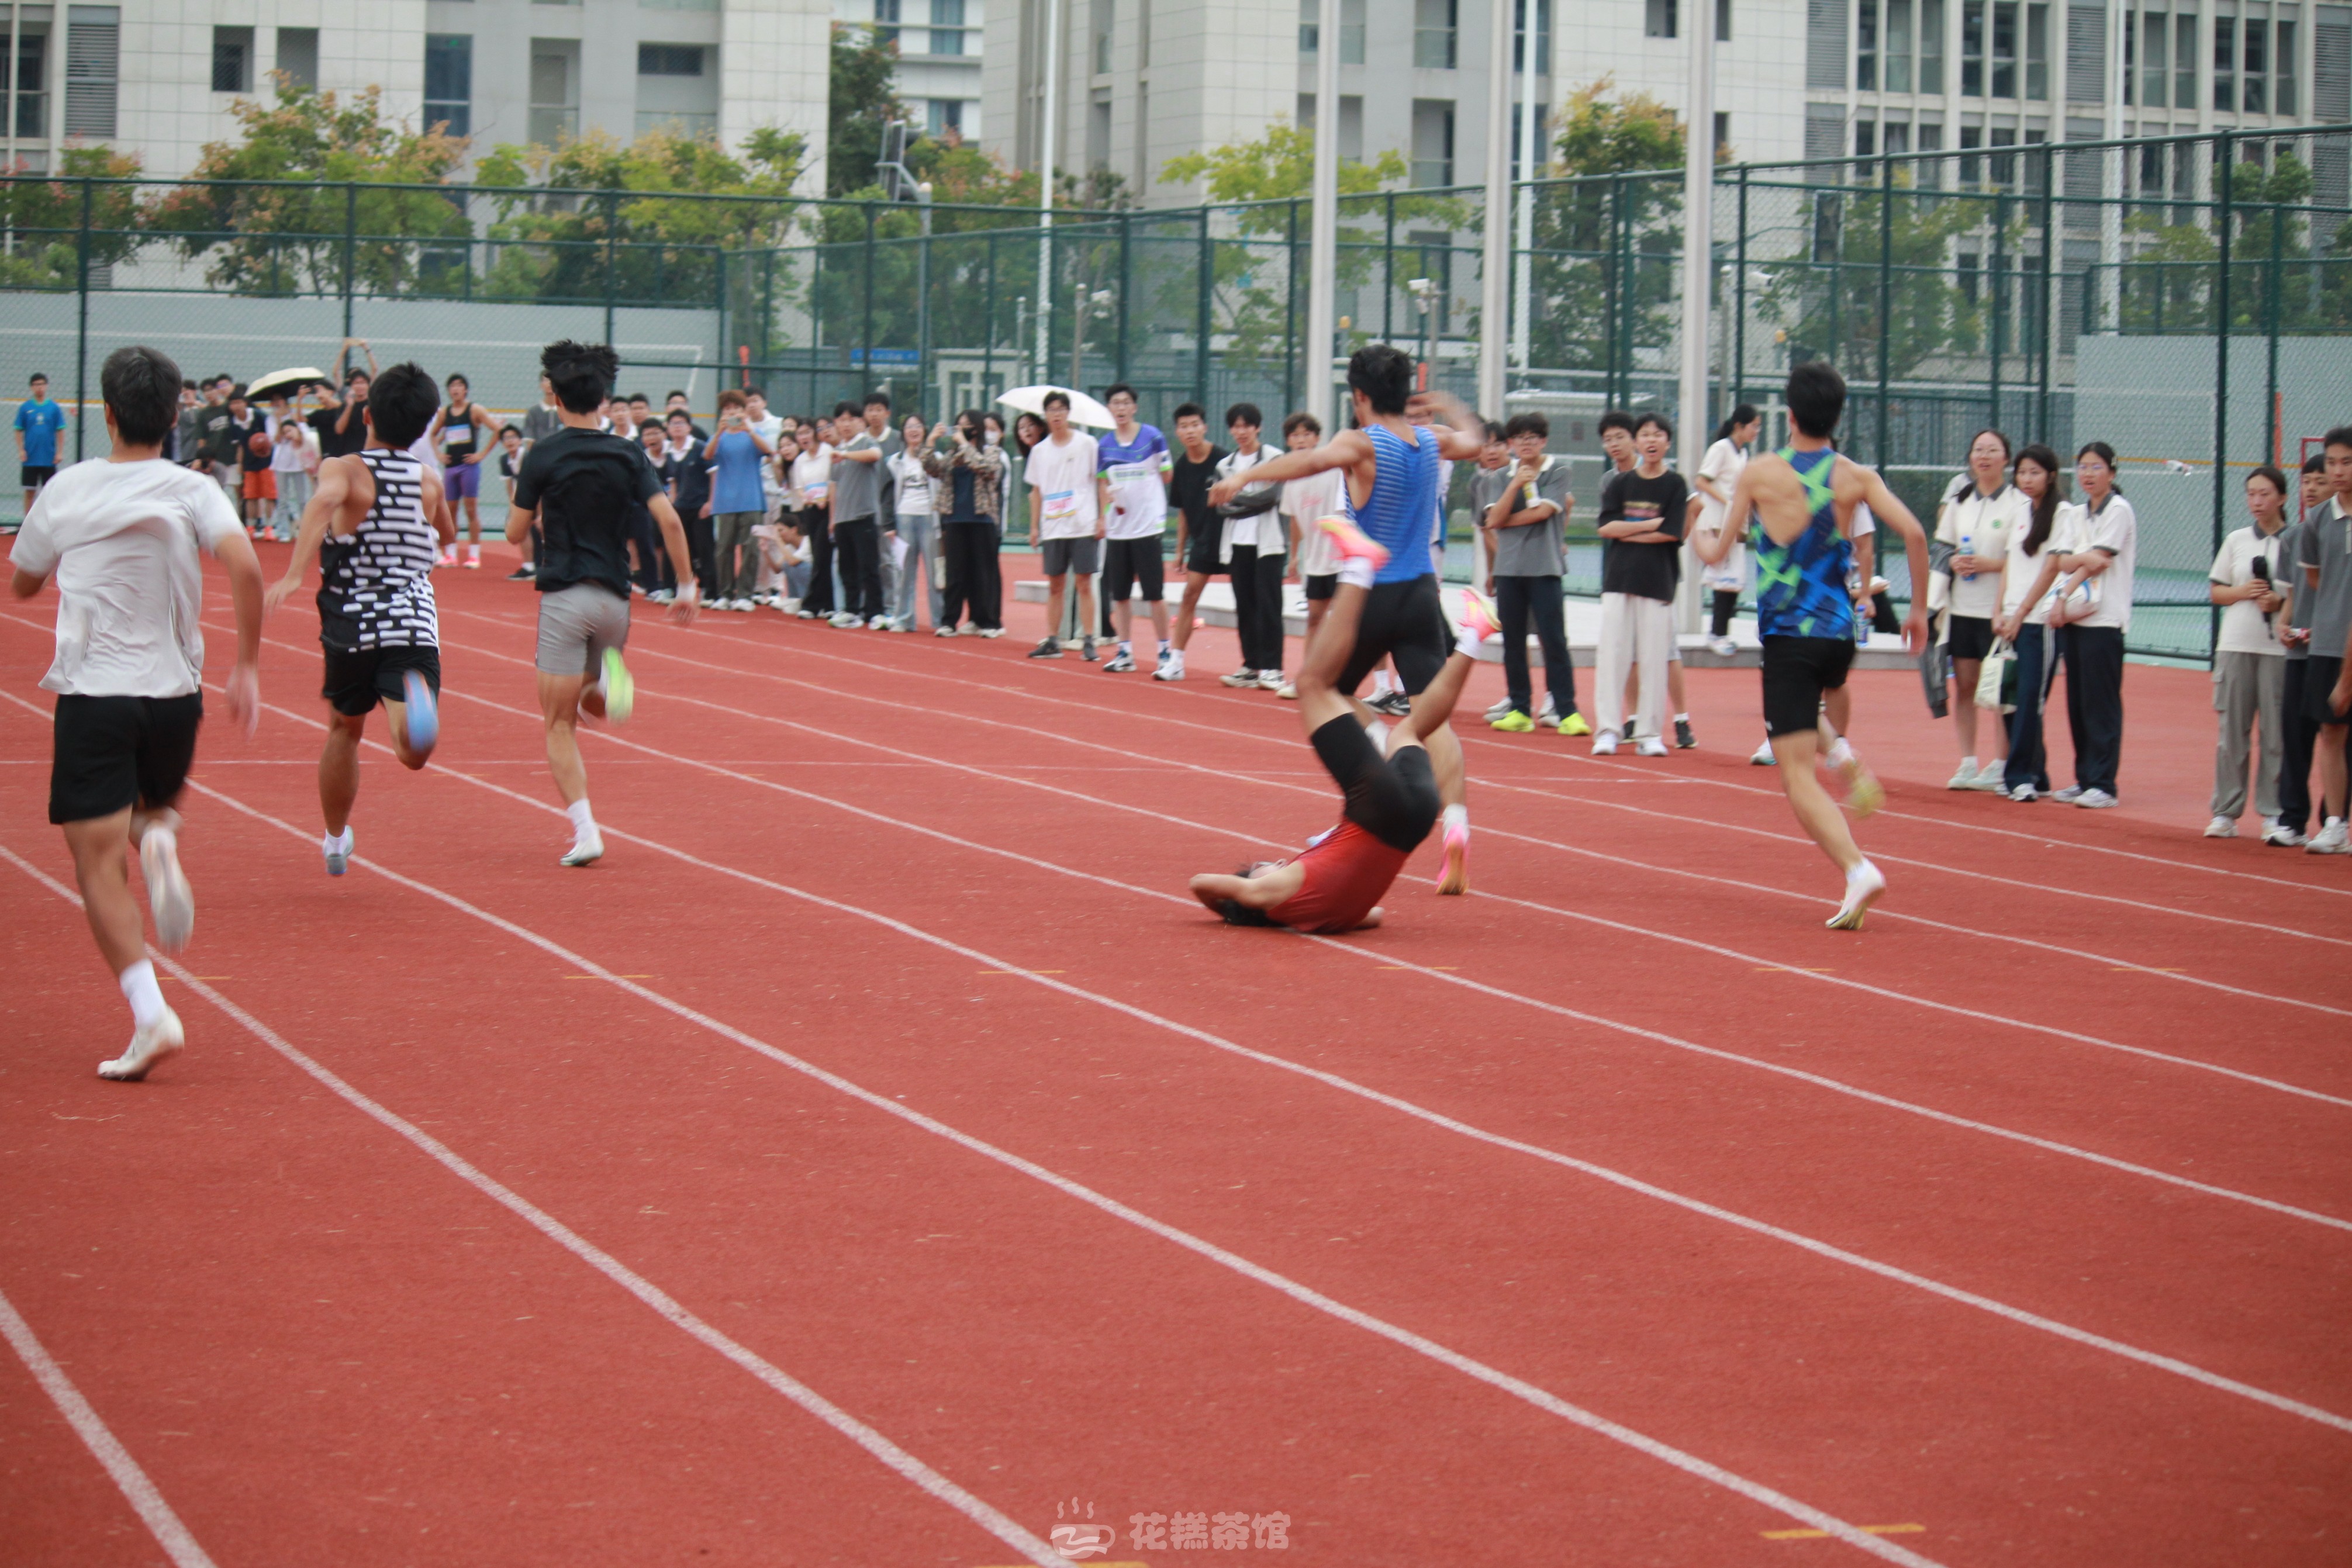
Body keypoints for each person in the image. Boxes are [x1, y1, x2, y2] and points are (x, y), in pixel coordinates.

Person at [8, 343, 265, 1080]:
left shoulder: (68, 488)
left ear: (108, 414)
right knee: (147, 812)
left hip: (97, 695)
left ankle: (152, 1016)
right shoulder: (194, 489)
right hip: (176, 700)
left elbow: (23, 582)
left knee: (96, 866)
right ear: (175, 416)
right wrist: (247, 665)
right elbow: (247, 566)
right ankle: (156, 835)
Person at [1207, 343, 1486, 895]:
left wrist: (1243, 478)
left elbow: (1308, 462)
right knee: (1432, 718)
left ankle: (1381, 747)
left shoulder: (1362, 442)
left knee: (1324, 692)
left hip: (1372, 594)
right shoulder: (1431, 439)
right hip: (1420, 594)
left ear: (1358, 396)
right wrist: (1451, 405)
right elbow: (1476, 442)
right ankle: (1456, 825)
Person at [1696, 360, 1929, 930]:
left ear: (1791, 415)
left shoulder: (1759, 472)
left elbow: (1720, 552)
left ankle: (1856, 868)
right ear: (1836, 417)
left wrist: (1696, 532)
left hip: (1788, 636)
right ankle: (1843, 756)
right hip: (1838, 635)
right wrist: (1919, 611)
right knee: (1801, 714)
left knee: (1794, 772)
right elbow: (1916, 534)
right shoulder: (1856, 476)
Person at [1189, 522, 1491, 932]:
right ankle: (1358, 568)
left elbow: (1374, 916)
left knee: (1409, 731)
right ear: (1252, 897)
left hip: (1418, 818)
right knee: (1313, 685)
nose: (1278, 861)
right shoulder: (1271, 896)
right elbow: (1200, 883)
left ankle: (1475, 635)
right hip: (1375, 810)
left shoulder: (1328, 916)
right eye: (1263, 866)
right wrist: (1242, 900)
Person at [503, 340, 700, 866]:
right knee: (587, 696)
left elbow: (514, 532)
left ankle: (586, 831)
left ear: (554, 395)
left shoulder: (543, 454)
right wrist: (685, 585)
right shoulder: (629, 453)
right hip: (616, 601)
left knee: (558, 724)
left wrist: (536, 501)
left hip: (566, 596)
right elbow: (669, 519)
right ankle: (607, 681)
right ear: (604, 397)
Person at [261, 362, 453, 875]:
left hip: (351, 624)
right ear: (423, 426)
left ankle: (334, 838)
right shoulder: (428, 479)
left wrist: (295, 574)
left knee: (344, 729)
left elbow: (325, 500)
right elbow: (448, 533)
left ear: (367, 415)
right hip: (412, 622)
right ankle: (414, 709)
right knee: (410, 753)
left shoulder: (344, 468)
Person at [2011, 441, 2137, 809]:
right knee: (2078, 703)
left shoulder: (2119, 509)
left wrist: (2064, 593)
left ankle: (2103, 783)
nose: (2088, 474)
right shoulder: (2077, 514)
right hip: (2074, 620)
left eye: (2096, 467)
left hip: (2104, 619)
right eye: (2083, 467)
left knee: (2101, 703)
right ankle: (2085, 779)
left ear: (2112, 473)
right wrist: (2082, 561)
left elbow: (2098, 560)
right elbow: (2065, 561)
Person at [2204, 465, 2295, 837]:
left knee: (2276, 735)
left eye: (2265, 494)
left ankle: (2273, 812)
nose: (2257, 501)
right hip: (2236, 644)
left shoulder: (2296, 541)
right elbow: (2217, 591)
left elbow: (2303, 594)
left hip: (2278, 651)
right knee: (2232, 734)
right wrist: (2243, 592)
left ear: (2282, 498)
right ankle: (2225, 812)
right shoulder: (2236, 540)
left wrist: (2278, 603)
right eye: (2251, 494)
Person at [1935, 429, 2029, 790]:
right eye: (1978, 450)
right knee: (1966, 686)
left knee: (2001, 689)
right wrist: (1954, 561)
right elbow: (1943, 546)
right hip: (1962, 608)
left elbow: (2026, 559)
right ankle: (1967, 762)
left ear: (2006, 458)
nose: (1984, 457)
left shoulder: (2019, 503)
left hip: (1999, 611)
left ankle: (2001, 764)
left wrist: (1990, 565)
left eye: (1992, 450)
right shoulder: (1960, 501)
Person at [1592, 413, 1688, 757]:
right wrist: (1648, 526)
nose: (1651, 440)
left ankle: (1649, 734)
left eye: (1658, 435)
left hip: (1658, 581)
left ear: (1668, 443)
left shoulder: (1676, 484)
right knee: (1613, 656)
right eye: (1645, 435)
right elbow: (1606, 528)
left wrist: (1628, 530)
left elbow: (1672, 533)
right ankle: (1608, 731)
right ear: (1637, 442)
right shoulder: (1620, 483)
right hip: (1619, 580)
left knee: (1653, 658)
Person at [1483, 412, 1581, 735]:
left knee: (1554, 640)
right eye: (1520, 438)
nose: (1527, 443)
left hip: (1546, 568)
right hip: (1509, 569)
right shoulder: (1499, 478)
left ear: (1544, 441)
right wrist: (1515, 484)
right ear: (1512, 443)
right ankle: (1520, 709)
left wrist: (1503, 520)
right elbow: (1491, 519)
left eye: (1533, 437)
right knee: (1513, 642)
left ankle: (1567, 711)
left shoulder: (1558, 472)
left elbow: (1541, 512)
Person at [1992, 444, 2068, 801]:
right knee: (2009, 697)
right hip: (2011, 620)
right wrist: (1999, 611)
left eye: (2035, 472)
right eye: (2022, 472)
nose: (2027, 479)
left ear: (2051, 476)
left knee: (2029, 699)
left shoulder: (2064, 513)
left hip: (2039, 621)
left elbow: (2051, 568)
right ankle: (2037, 773)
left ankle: (2018, 776)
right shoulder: (2019, 510)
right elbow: (2010, 563)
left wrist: (2022, 613)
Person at [2274, 454, 2336, 845]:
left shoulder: (2341, 533)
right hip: (2300, 654)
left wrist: (2326, 628)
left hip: (2334, 651)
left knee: (2336, 736)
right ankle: (2291, 820)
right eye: (2307, 481)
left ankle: (2334, 818)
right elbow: (2291, 594)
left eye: (2319, 481)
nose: (2311, 488)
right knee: (2295, 738)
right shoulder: (2293, 537)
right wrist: (2284, 625)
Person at [1092, 385, 1173, 672]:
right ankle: (1125, 652)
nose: (1121, 408)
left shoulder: (1153, 437)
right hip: (1118, 528)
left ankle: (1165, 652)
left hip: (1147, 527)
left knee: (1154, 594)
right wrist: (1103, 516)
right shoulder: (1104, 445)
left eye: (1126, 403)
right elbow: (1102, 483)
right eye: (1116, 403)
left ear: (1134, 407)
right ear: (1109, 409)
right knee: (1120, 595)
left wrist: (1141, 485)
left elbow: (1167, 475)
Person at [2302, 426, 2352, 854]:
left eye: (2347, 462)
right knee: (2330, 732)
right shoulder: (2317, 519)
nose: (2338, 471)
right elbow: (2318, 579)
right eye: (2332, 462)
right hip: (2328, 644)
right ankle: (2335, 824)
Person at [1024, 391, 1101, 659]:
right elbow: (1036, 491)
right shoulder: (1039, 451)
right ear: (1045, 415)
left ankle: (1089, 639)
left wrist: (1101, 518)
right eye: (1051, 410)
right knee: (1055, 585)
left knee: (1084, 583)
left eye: (1061, 409)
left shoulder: (1087, 444)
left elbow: (1101, 481)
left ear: (1069, 413)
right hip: (1053, 526)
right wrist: (1034, 527)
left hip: (1083, 524)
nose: (1056, 415)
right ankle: (1053, 640)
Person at [1215, 403, 1286, 689]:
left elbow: (1271, 498)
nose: (1241, 432)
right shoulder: (1225, 466)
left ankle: (1273, 668)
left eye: (1247, 426)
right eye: (1236, 427)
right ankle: (1251, 665)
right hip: (1237, 543)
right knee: (1244, 605)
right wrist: (1239, 501)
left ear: (1258, 428)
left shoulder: (1274, 458)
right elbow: (1220, 505)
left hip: (1268, 544)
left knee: (1269, 605)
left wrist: (1237, 498)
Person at [1277, 411, 1345, 699]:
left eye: (1307, 434)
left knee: (1343, 623)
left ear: (1317, 439)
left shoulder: (1333, 471)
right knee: (1315, 620)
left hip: (1340, 560)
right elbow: (1295, 520)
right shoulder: (1291, 479)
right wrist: (1295, 556)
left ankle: (1338, 681)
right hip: (1314, 561)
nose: (1301, 440)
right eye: (1295, 435)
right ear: (1288, 442)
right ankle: (1307, 679)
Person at [927, 407, 1007, 636]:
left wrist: (964, 444)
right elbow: (933, 469)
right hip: (955, 518)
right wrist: (930, 442)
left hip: (982, 519)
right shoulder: (953, 456)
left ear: (977, 428)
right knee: (955, 573)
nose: (961, 429)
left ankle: (989, 622)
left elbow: (987, 469)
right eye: (958, 425)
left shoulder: (991, 451)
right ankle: (949, 621)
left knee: (984, 573)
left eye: (966, 425)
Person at [1163, 402, 1227, 681]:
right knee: (1189, 595)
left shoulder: (1223, 461)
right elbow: (1183, 512)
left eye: (1194, 425)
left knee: (1250, 600)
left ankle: (1258, 666)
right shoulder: (1181, 467)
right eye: (1184, 427)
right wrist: (1180, 550)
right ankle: (1176, 662)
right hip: (1202, 542)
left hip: (1231, 540)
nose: (1189, 431)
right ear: (1177, 432)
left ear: (1205, 427)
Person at [1694, 404, 1759, 658]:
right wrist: (1728, 503)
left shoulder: (1742, 453)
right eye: (1754, 426)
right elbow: (1701, 481)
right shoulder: (1721, 449)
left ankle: (1721, 632)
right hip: (1717, 522)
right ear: (1739, 426)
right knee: (1724, 579)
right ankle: (1716, 633)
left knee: (1734, 579)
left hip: (1735, 522)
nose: (1757, 431)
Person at [703, 389, 771, 611]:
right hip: (725, 501)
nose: (732, 413)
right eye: (727, 409)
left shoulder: (754, 433)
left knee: (751, 548)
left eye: (736, 408)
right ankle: (725, 593)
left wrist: (749, 429)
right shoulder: (720, 437)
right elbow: (708, 455)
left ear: (744, 411)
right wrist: (719, 432)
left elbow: (768, 450)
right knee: (724, 549)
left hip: (751, 499)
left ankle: (745, 595)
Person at [424, 373, 499, 569]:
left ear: (466, 390)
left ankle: (474, 555)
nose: (456, 389)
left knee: (471, 509)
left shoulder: (475, 410)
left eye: (459, 386)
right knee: (450, 511)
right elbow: (433, 434)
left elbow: (497, 429)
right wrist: (439, 454)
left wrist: (482, 454)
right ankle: (451, 553)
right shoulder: (445, 413)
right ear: (449, 391)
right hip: (451, 467)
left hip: (469, 466)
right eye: (452, 386)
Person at [829, 398, 890, 630]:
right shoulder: (838, 451)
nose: (846, 424)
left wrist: (846, 455)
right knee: (847, 569)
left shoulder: (866, 442)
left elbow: (875, 455)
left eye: (851, 419)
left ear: (860, 422)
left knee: (869, 567)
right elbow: (834, 486)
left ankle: (876, 612)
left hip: (864, 515)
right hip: (843, 518)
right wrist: (833, 519)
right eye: (841, 420)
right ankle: (851, 611)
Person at [887, 412, 943, 632]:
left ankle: (940, 621)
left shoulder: (936, 458)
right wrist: (890, 524)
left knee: (934, 572)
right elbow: (887, 493)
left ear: (925, 431)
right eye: (909, 427)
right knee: (904, 571)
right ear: (903, 433)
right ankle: (903, 619)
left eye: (918, 426)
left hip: (930, 518)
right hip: (904, 517)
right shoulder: (895, 461)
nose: (913, 430)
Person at [665, 411, 717, 603]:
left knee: (705, 549)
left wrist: (710, 503)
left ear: (689, 427)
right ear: (668, 428)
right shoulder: (670, 452)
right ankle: (682, 588)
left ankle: (710, 591)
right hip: (681, 508)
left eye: (681, 423)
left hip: (701, 507)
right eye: (673, 424)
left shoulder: (700, 448)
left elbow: (714, 476)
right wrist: (672, 506)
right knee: (683, 550)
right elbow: (673, 483)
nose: (677, 427)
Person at [791, 417, 837, 620]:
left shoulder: (828, 452)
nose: (804, 438)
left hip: (828, 509)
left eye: (807, 432)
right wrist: (808, 498)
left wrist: (824, 499)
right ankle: (827, 604)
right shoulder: (800, 460)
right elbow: (799, 488)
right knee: (819, 556)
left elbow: (832, 481)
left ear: (816, 434)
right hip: (811, 511)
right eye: (800, 434)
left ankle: (814, 604)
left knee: (823, 555)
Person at [16, 371, 66, 521]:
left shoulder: (54, 408)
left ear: (47, 386)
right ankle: (28, 522)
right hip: (30, 458)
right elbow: (18, 429)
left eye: (42, 384)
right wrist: (21, 450)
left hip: (48, 458)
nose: (40, 387)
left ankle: (48, 522)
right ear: (32, 387)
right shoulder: (25, 408)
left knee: (48, 493)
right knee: (29, 492)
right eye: (36, 385)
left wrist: (59, 452)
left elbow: (60, 430)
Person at [265, 390, 315, 542]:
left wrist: (294, 428)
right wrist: (279, 421)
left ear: (286, 401)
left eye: (279, 399)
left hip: (298, 463)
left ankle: (305, 530)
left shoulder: (296, 416)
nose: (277, 403)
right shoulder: (271, 419)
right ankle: (284, 531)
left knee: (302, 499)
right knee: (283, 500)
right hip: (281, 464)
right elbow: (276, 440)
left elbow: (304, 435)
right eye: (274, 401)